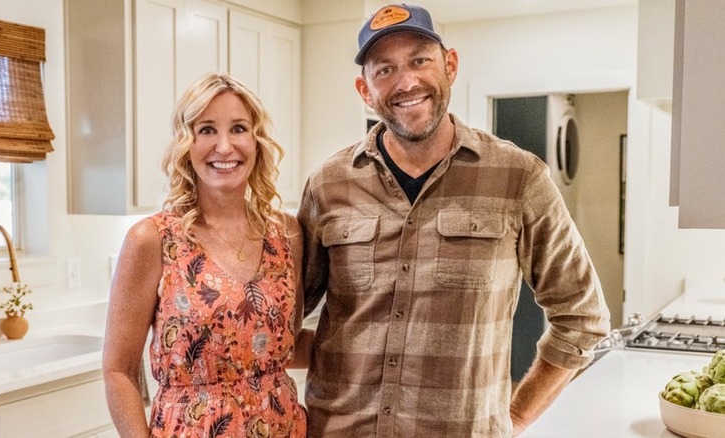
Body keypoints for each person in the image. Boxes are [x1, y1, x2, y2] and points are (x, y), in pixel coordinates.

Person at [297, 3, 611, 437]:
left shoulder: (518, 178)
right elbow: (281, 316)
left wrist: (514, 417)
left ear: (450, 65)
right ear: (364, 90)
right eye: (384, 69)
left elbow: (582, 317)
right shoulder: (328, 184)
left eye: (420, 60)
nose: (406, 82)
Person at [103, 72, 311, 437]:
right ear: (186, 143)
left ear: (257, 141)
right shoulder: (152, 239)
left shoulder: (287, 234)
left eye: (239, 128)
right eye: (207, 130)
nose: (225, 147)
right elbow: (118, 369)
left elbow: (287, 345)